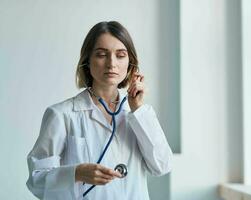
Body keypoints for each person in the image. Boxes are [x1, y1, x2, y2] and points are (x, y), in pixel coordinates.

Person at [26, 21, 173, 200]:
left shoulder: (138, 113)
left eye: (120, 55)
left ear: (130, 62)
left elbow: (162, 166)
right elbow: (36, 180)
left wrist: (138, 110)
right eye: (102, 54)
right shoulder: (62, 115)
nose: (112, 63)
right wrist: (76, 173)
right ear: (87, 61)